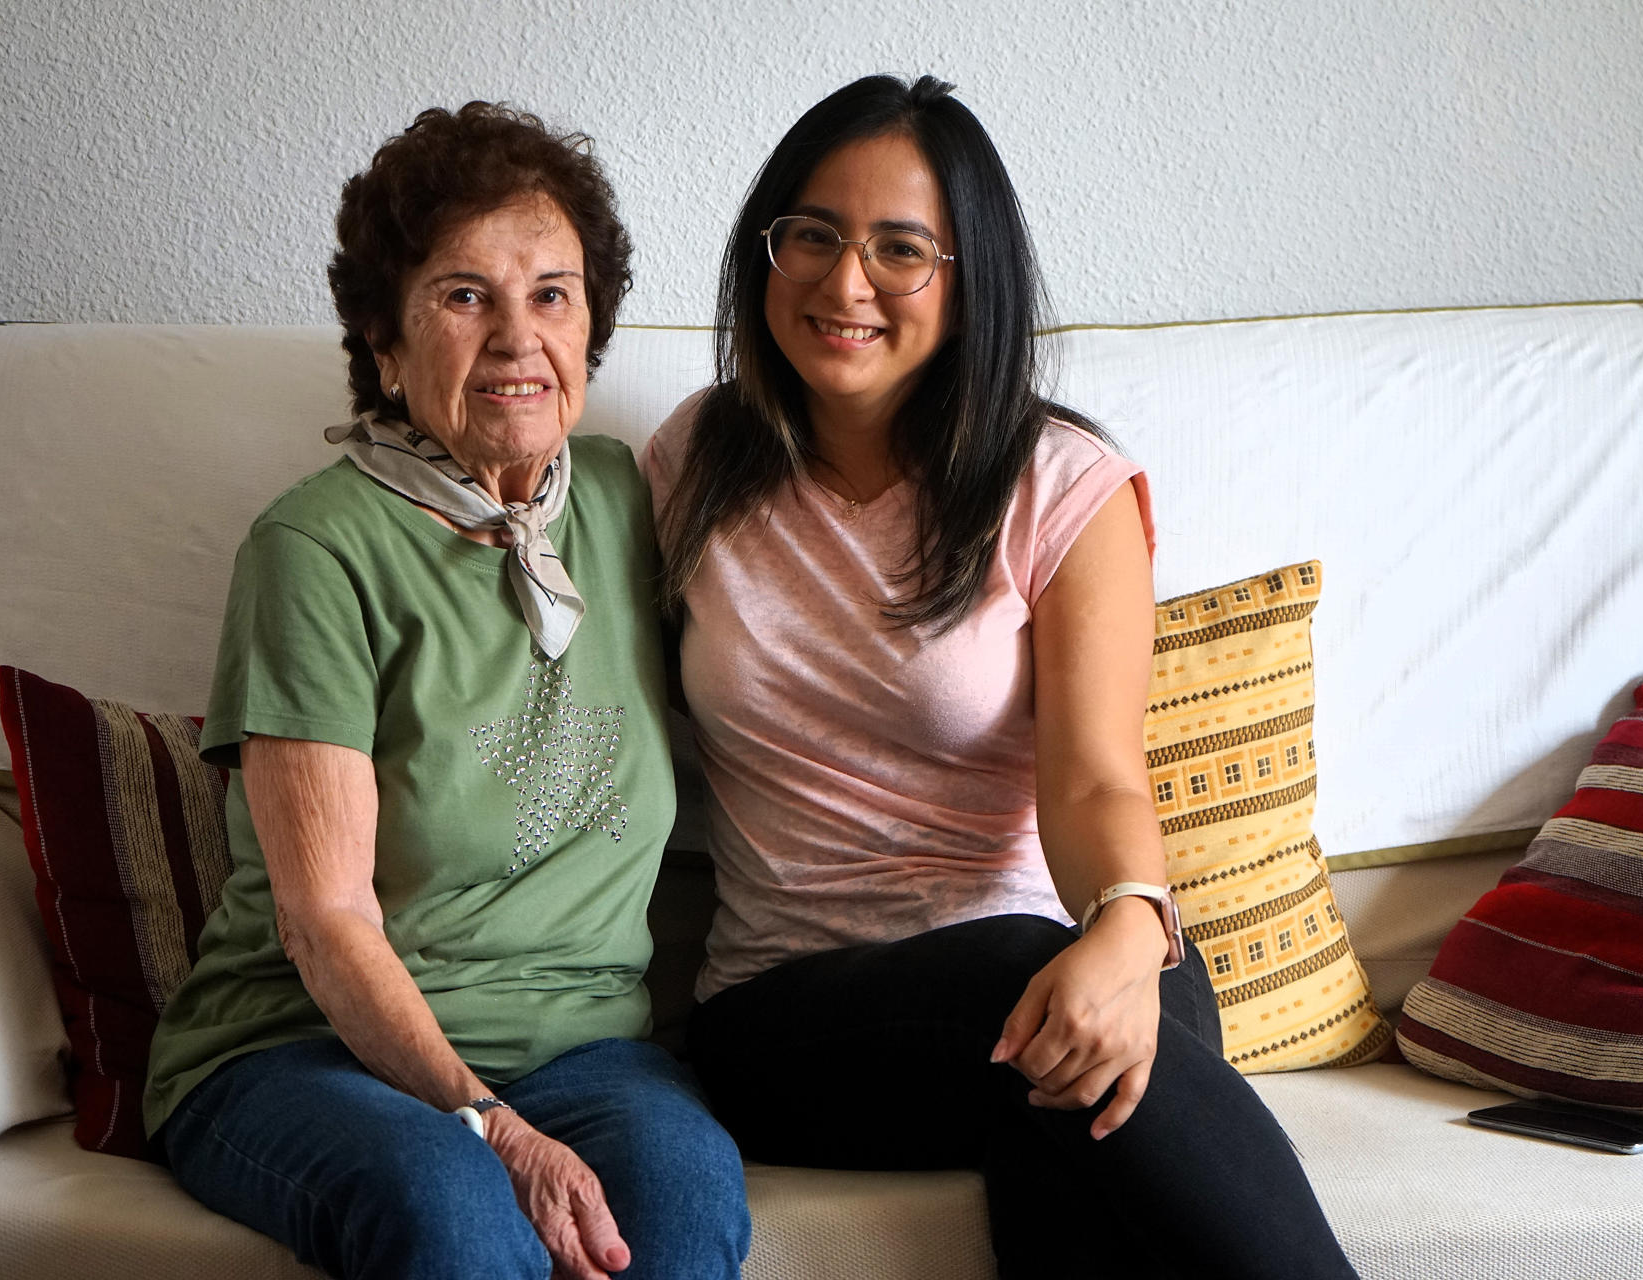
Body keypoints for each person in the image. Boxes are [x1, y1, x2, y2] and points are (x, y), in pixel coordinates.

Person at [642, 75, 1356, 1279]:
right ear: (765, 248)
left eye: (901, 249)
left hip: (1024, 971)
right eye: (810, 234)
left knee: (1127, 1025)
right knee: (1060, 1014)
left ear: (970, 283)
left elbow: (1092, 778)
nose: (843, 282)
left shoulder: (1060, 487)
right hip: (789, 1015)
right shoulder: (688, 468)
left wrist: (1129, 928)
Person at [143, 103, 750, 1280]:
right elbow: (324, 923)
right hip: (305, 1048)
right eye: (466, 295)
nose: (519, 337)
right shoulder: (315, 548)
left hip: (592, 1050)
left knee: (683, 1204)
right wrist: (493, 1125)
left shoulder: (631, 497)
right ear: (382, 335)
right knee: (455, 1213)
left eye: (554, 295)